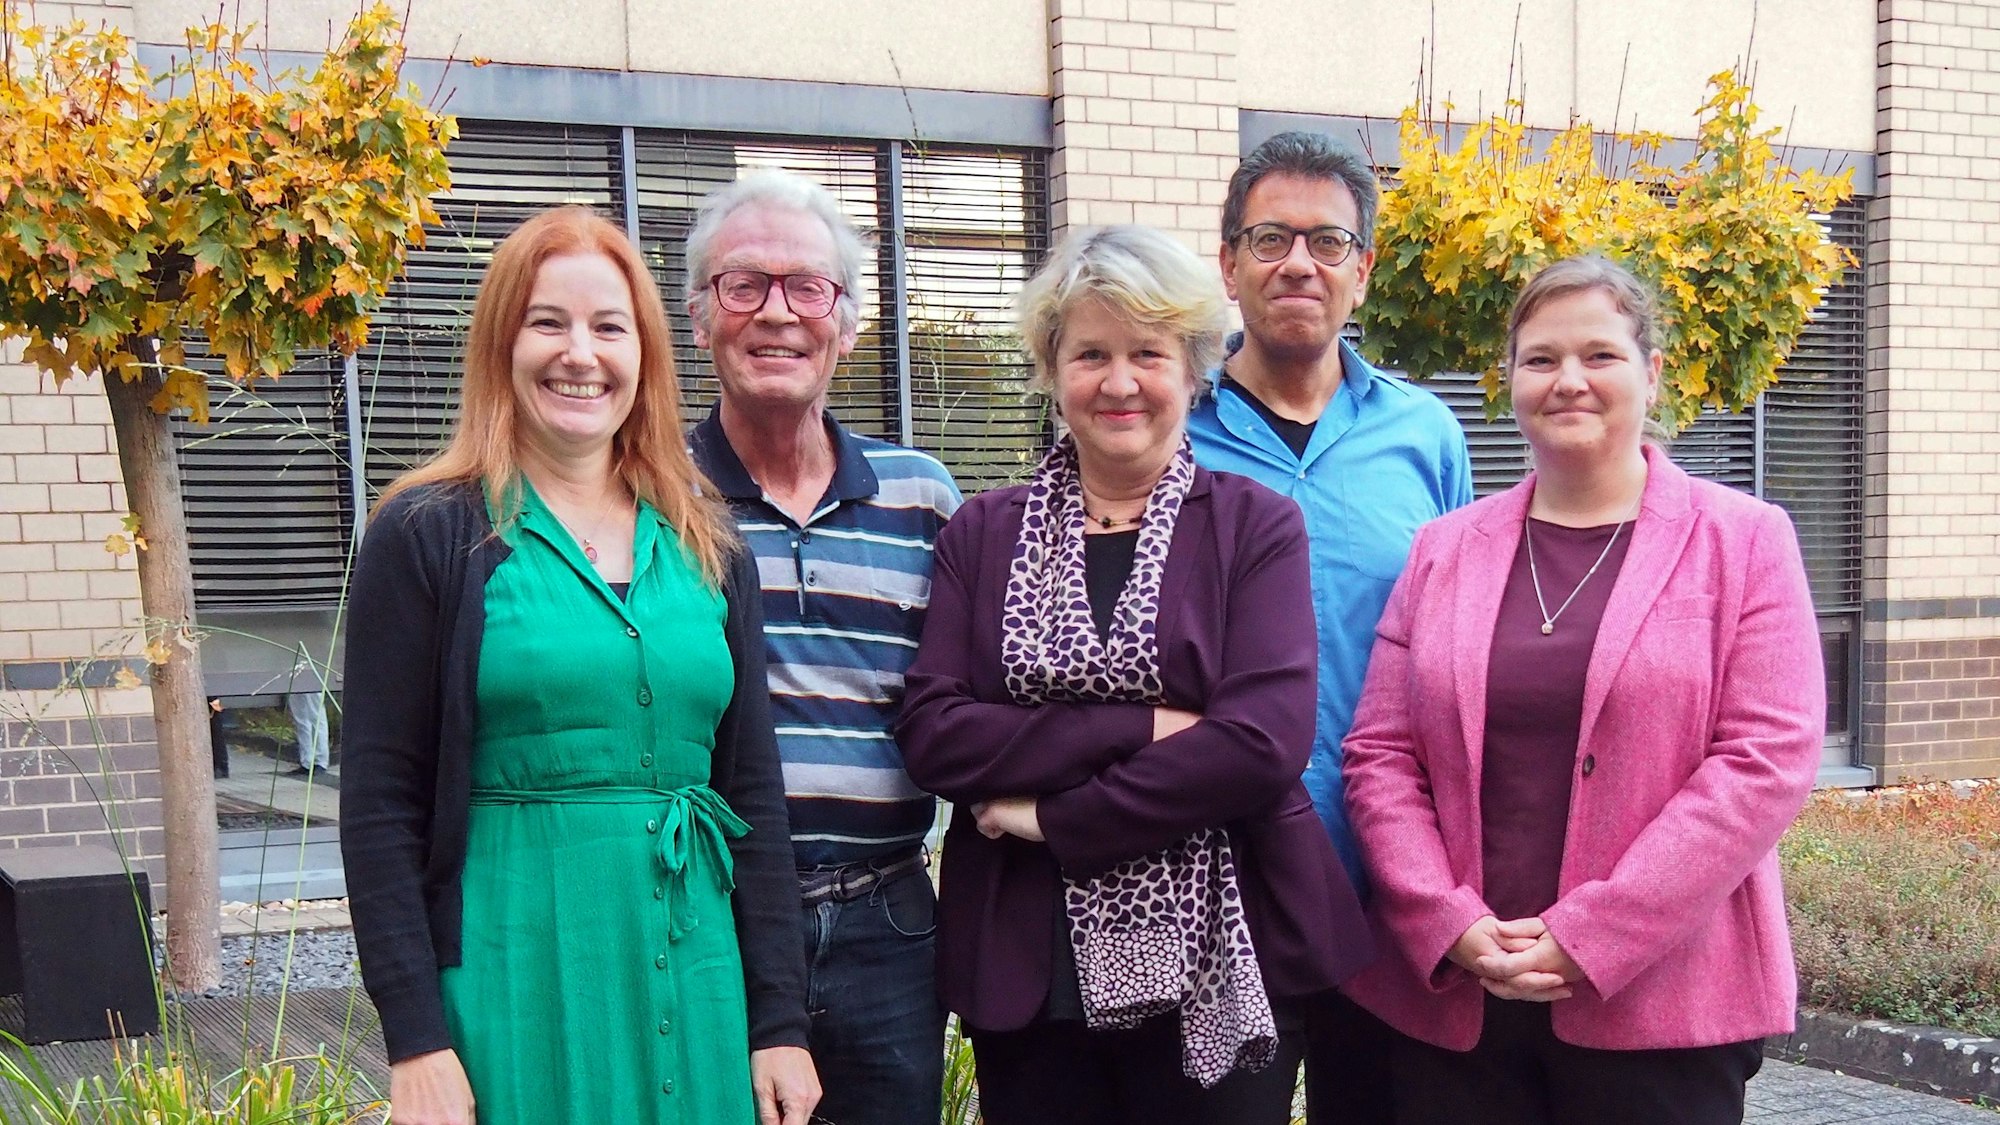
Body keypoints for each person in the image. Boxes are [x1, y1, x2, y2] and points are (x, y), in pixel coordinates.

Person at [340, 206, 819, 1125]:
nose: (580, 353)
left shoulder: (708, 542)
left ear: (644, 353)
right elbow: (378, 802)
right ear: (501, 343)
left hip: (698, 971)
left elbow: (753, 793)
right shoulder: (428, 534)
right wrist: (416, 1040)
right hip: (515, 968)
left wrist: (780, 1023)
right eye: (547, 322)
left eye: (609, 327)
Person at [899, 225, 1372, 1125]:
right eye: (1091, 354)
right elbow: (935, 735)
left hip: (1219, 953)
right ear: (1051, 368)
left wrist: (1050, 815)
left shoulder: (1254, 529)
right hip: (1027, 963)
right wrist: (1142, 726)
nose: (1119, 383)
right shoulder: (983, 532)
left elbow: (1258, 747)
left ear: (1191, 370)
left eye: (1147, 353)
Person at [1340, 255, 1825, 1125]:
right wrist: (1444, 919)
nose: (1569, 381)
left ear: (1651, 371)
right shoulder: (1443, 549)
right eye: (1541, 358)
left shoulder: (1746, 540)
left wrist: (1595, 933)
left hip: (1662, 1009)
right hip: (1455, 1003)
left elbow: (1766, 761)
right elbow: (1379, 753)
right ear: (1511, 379)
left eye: (1599, 355)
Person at [1185, 129, 1473, 1124]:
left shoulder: (1424, 435)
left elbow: (1458, 640)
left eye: (1325, 241)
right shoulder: (1167, 434)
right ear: (1226, 263)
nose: (1296, 264)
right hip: (1219, 890)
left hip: (1391, 886)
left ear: (1364, 268)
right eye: (1268, 239)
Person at [682, 169, 961, 1125]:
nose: (777, 313)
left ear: (846, 324)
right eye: (744, 283)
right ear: (699, 316)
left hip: (889, 919)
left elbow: (972, 699)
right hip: (707, 922)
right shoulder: (651, 499)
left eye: (809, 287)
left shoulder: (922, 499)